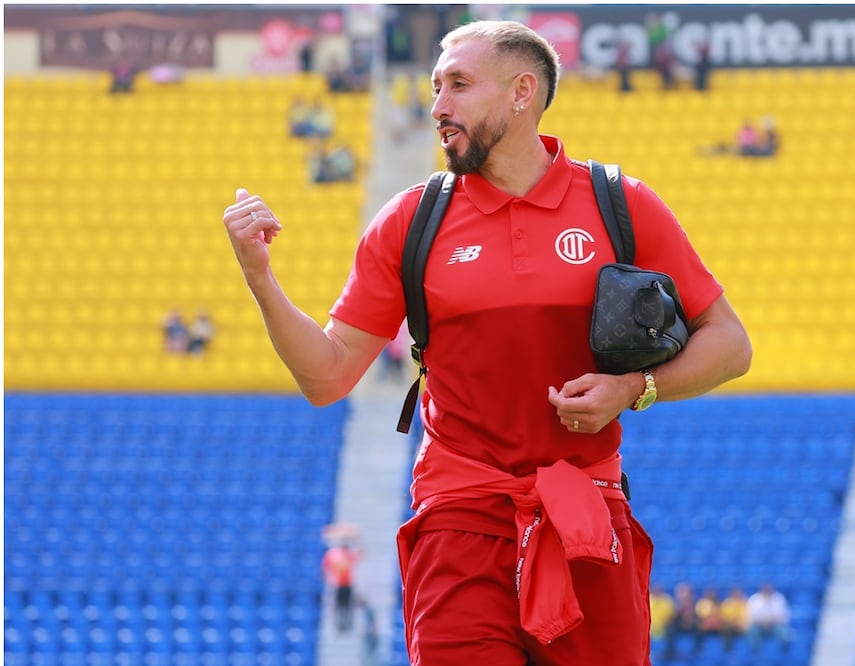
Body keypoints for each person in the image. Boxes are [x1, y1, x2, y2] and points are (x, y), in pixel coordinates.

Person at [222, 20, 751, 665]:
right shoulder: (410, 221)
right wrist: (260, 278)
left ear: (522, 92)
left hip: (585, 515)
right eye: (436, 87)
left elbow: (730, 344)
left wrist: (634, 387)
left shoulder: (621, 204)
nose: (438, 106)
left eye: (459, 85)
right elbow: (327, 376)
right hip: (458, 521)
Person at [322, 540, 362, 634]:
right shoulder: (333, 554)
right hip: (337, 584)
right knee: (338, 605)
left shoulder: (348, 554)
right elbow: (325, 566)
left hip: (348, 584)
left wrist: (359, 541)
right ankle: (339, 625)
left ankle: (347, 625)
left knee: (348, 605)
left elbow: (360, 555)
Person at [746, 583, 792, 652]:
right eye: (765, 590)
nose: (767, 591)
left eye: (768, 589)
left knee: (783, 631)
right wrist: (761, 621)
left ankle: (784, 652)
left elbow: (785, 615)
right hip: (759, 625)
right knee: (752, 630)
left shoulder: (779, 598)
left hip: (775, 625)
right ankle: (756, 652)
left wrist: (772, 620)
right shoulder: (754, 599)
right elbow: (750, 616)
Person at [664, 582, 699, 660]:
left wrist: (689, 620)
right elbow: (673, 618)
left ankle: (697, 651)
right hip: (679, 626)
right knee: (669, 629)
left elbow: (695, 618)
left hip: (692, 627)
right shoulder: (676, 604)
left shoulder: (695, 604)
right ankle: (670, 652)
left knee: (700, 628)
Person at [719, 586, 750, 652]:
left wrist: (741, 623)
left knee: (752, 630)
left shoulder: (745, 603)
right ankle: (727, 651)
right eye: (735, 594)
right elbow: (724, 618)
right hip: (731, 626)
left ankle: (752, 652)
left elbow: (747, 617)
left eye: (738, 594)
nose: (736, 595)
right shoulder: (727, 603)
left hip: (743, 626)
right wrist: (733, 622)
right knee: (726, 629)